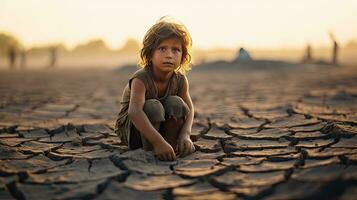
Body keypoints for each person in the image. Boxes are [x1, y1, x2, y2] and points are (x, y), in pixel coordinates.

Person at [115, 17, 195, 161]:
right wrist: (158, 143)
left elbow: (189, 109)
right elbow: (134, 112)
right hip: (134, 132)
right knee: (153, 106)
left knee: (176, 103)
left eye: (176, 50)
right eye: (162, 48)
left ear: (183, 56)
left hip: (161, 129)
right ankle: (151, 150)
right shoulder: (141, 79)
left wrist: (185, 134)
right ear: (150, 54)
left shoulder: (180, 80)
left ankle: (170, 147)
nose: (169, 55)